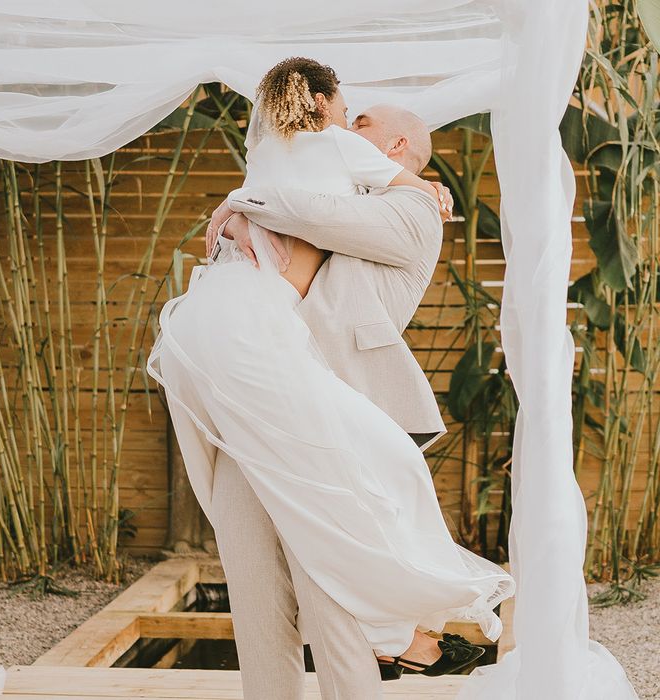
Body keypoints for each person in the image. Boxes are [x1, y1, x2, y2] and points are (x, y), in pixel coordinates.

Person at [146, 57, 515, 699]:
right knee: (257, 599)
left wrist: (237, 203)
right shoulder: (318, 189)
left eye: (358, 121)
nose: (338, 121)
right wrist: (242, 217)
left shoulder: (413, 210)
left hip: (330, 420)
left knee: (330, 596)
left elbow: (299, 209)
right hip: (255, 413)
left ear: (396, 146)